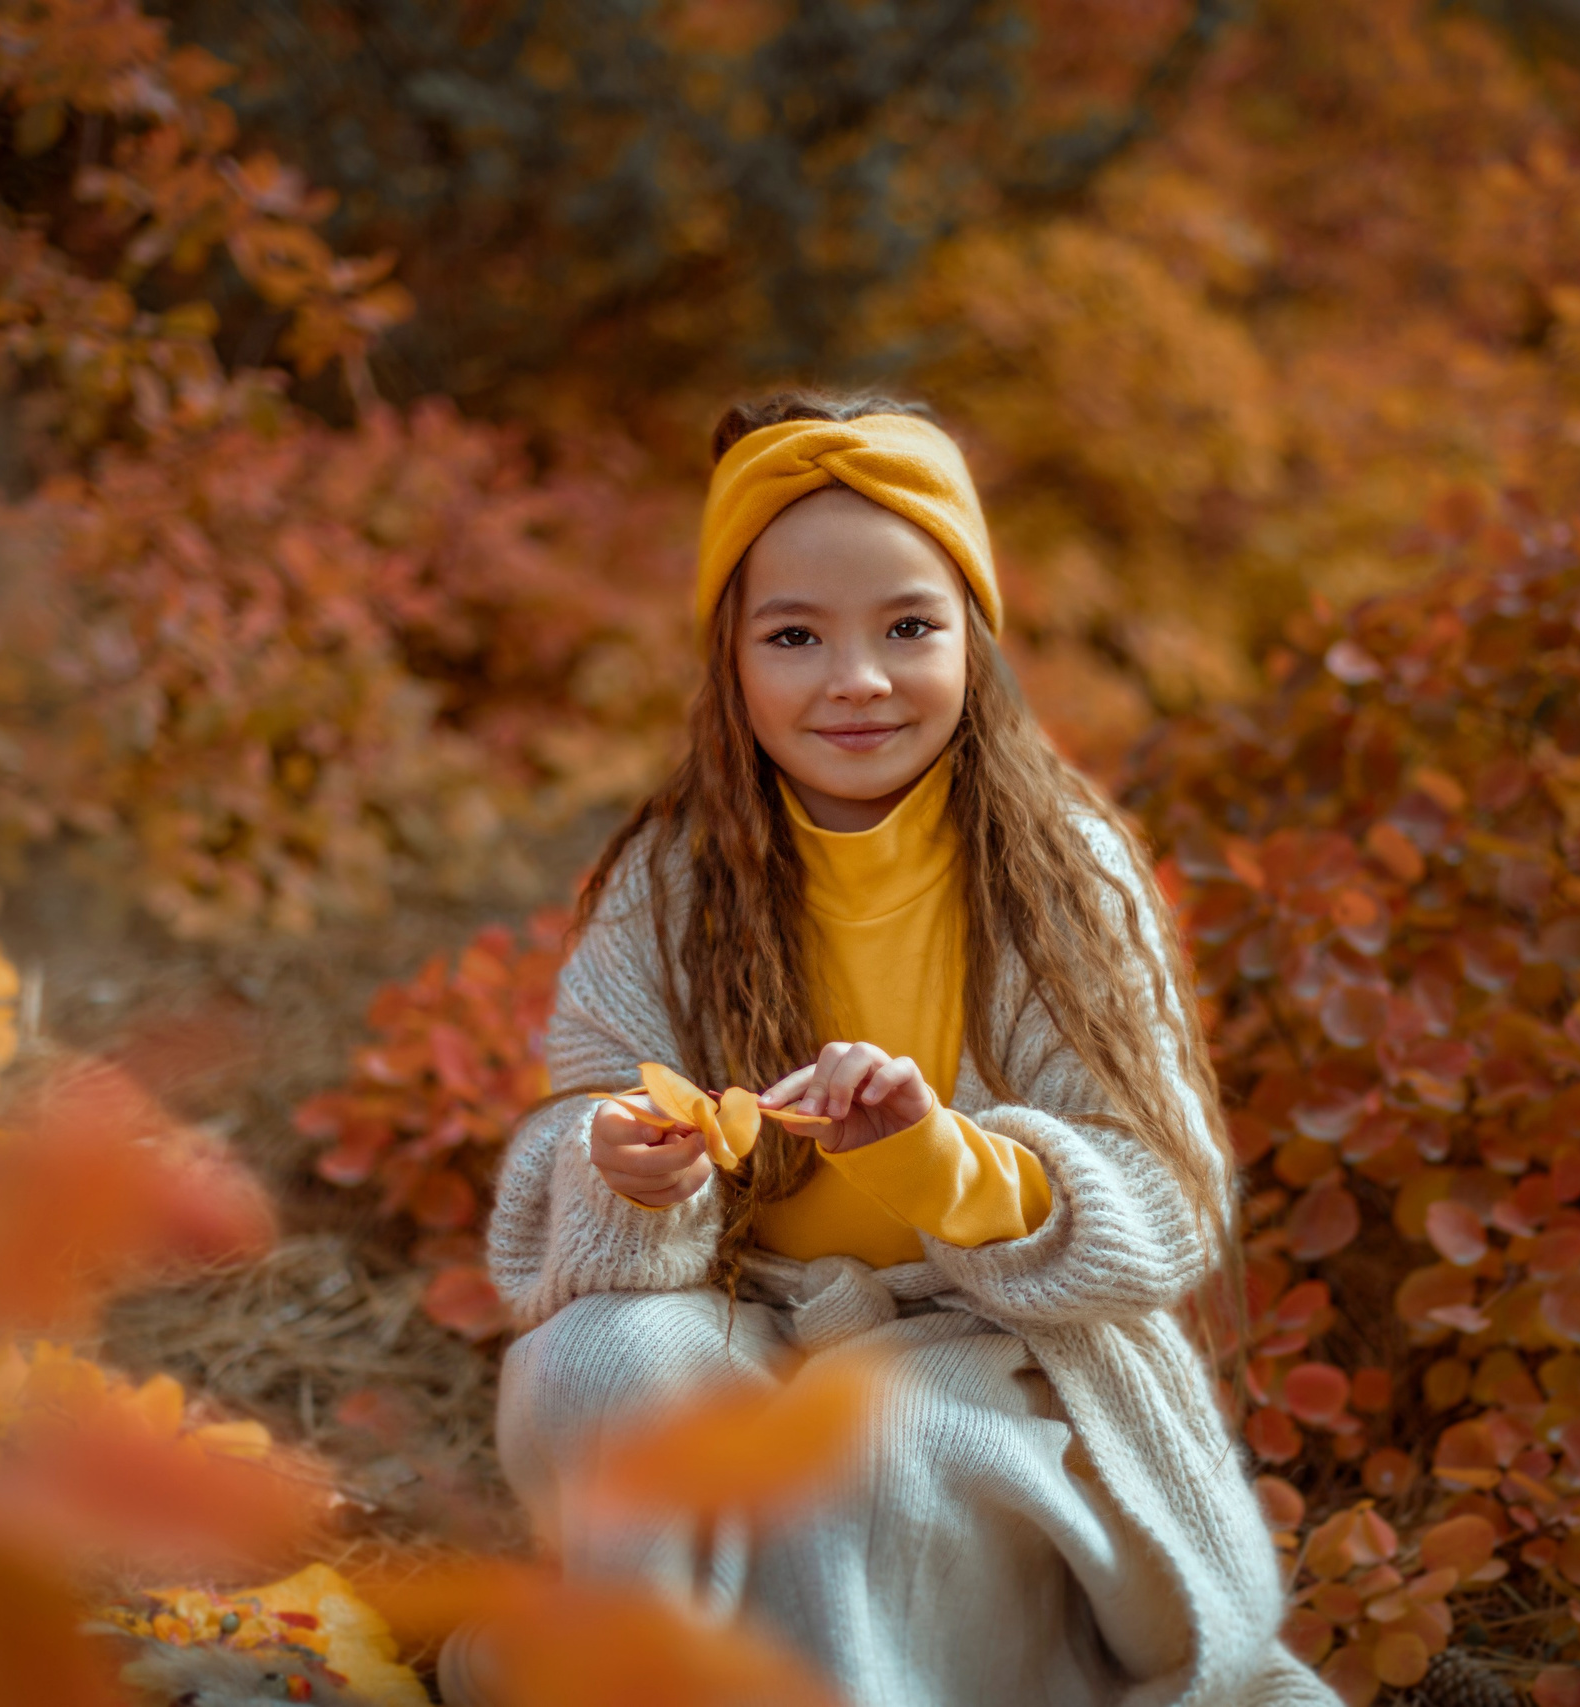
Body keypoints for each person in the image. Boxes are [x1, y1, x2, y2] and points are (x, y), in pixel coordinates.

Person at [459, 392, 1332, 1707]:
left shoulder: (1060, 875)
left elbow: (1166, 1193)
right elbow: (580, 1122)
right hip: (737, 1315)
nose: (856, 680)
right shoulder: (675, 875)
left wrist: (945, 1162)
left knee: (868, 1445)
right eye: (795, 635)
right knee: (608, 1363)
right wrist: (634, 1176)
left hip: (979, 1340)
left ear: (973, 638)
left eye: (909, 627)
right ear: (731, 662)